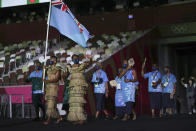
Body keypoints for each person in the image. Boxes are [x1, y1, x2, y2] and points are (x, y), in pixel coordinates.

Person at [66, 54, 91, 125]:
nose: (75, 59)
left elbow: (88, 64)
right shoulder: (70, 67)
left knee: (79, 103)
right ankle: (76, 118)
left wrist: (90, 59)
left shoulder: (82, 65)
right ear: (72, 59)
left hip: (79, 87)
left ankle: (81, 119)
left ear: (79, 59)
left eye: (76, 58)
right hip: (73, 87)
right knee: (74, 103)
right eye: (74, 58)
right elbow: (67, 76)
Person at [43, 56, 62, 125]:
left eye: (53, 60)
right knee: (53, 105)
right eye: (50, 60)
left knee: (50, 104)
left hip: (54, 88)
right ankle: (59, 117)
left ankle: (48, 119)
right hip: (48, 88)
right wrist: (44, 70)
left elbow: (56, 79)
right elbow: (43, 77)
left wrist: (47, 81)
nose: (51, 61)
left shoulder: (58, 69)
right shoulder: (47, 69)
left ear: (55, 61)